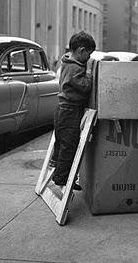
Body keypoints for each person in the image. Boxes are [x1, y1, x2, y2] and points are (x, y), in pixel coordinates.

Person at [50, 31, 96, 190]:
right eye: (88, 55)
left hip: (64, 109)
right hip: (69, 110)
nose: (89, 58)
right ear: (81, 51)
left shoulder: (67, 62)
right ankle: (62, 179)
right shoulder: (75, 68)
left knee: (63, 143)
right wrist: (89, 71)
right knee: (69, 146)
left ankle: (61, 174)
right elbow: (85, 86)